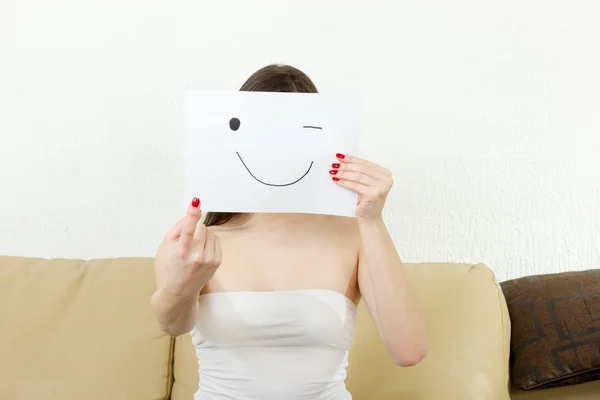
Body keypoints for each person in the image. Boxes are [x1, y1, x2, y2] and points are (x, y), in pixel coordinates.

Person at [151, 64, 428, 400]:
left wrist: (372, 219)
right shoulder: (196, 243)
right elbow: (172, 324)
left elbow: (409, 350)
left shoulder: (351, 234)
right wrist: (185, 283)